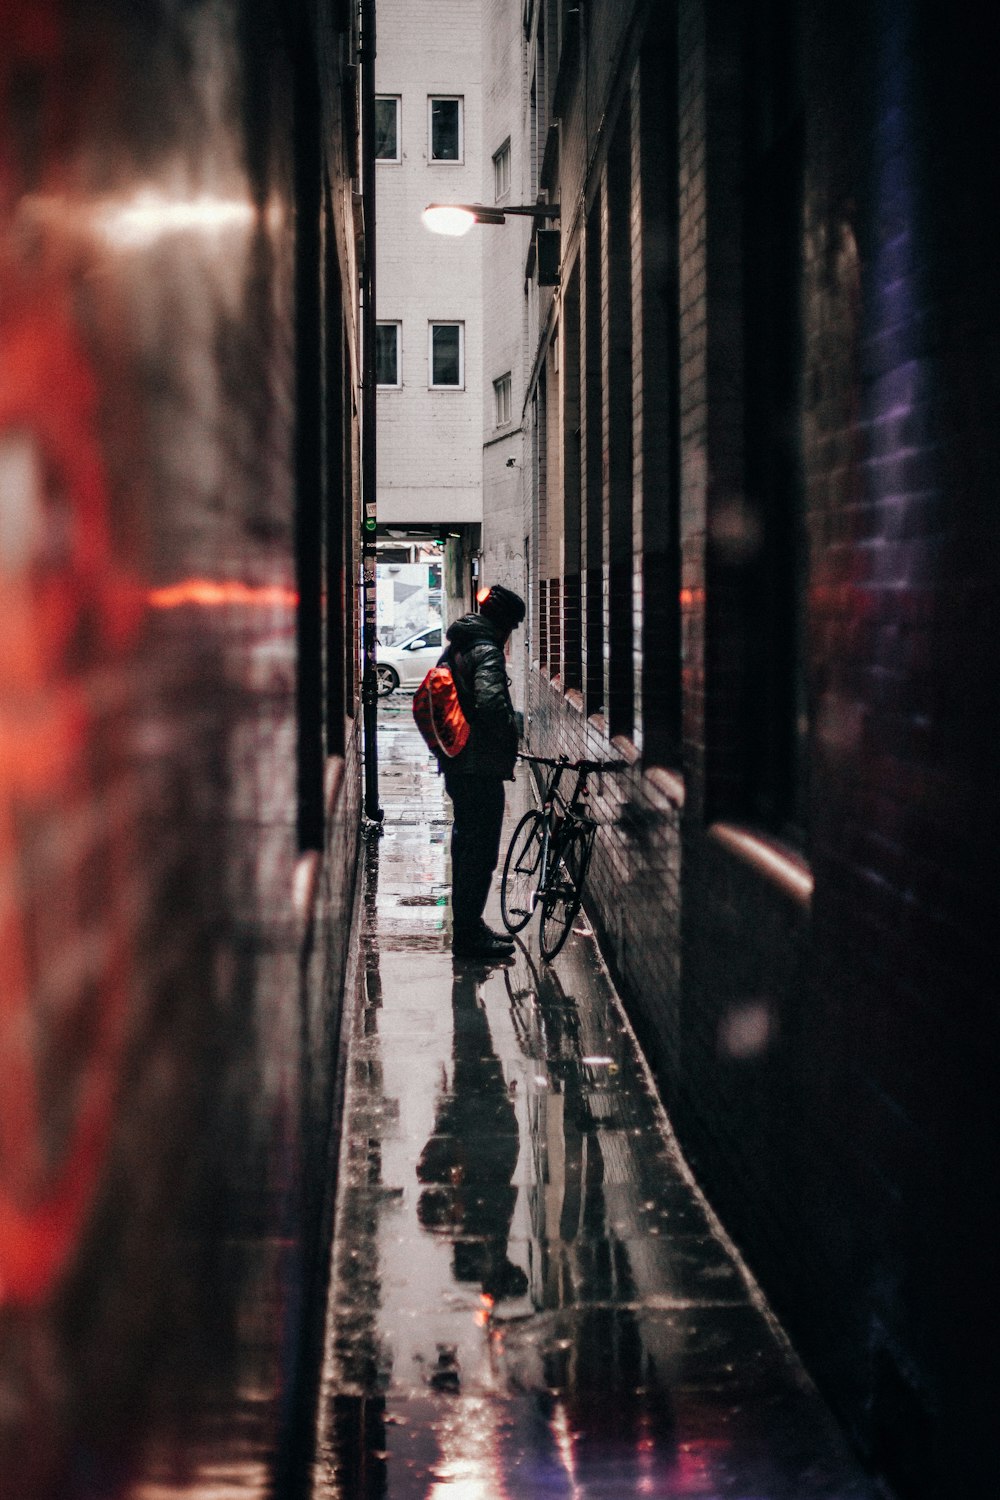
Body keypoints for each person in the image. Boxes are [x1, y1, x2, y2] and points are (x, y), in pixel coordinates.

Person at [439, 584, 526, 961]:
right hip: (478, 767)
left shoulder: (457, 644)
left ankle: (469, 927)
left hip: (458, 763)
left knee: (466, 847)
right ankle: (469, 936)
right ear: (504, 623)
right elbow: (490, 706)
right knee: (479, 851)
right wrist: (514, 724)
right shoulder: (486, 650)